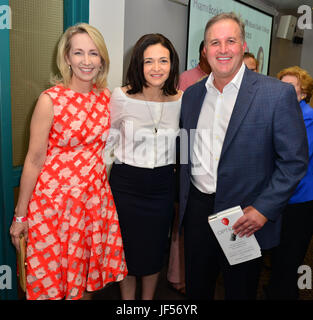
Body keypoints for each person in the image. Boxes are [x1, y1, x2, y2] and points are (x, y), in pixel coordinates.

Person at [179, 12, 308, 300]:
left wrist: (263, 208)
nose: (222, 49)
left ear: (243, 45)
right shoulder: (192, 95)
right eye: (215, 42)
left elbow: (295, 161)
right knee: (197, 288)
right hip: (198, 211)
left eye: (230, 41)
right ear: (204, 50)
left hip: (245, 216)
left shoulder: (275, 95)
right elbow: (187, 150)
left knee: (240, 291)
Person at [9, 23, 127, 300]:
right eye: (78, 53)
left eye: (93, 53)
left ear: (102, 60)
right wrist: (20, 216)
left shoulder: (107, 99)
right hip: (54, 208)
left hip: (93, 204)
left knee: (85, 282)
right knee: (52, 286)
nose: (86, 61)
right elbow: (34, 161)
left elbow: (108, 152)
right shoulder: (50, 100)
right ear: (67, 58)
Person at [105, 33, 182, 300]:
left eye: (163, 60)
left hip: (162, 184)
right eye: (149, 61)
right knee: (124, 250)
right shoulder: (121, 96)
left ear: (172, 64)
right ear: (138, 64)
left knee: (153, 250)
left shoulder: (180, 99)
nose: (156, 68)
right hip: (126, 184)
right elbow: (108, 143)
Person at [167, 40, 211, 295]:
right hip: (183, 166)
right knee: (180, 227)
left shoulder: (219, 81)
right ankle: (177, 276)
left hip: (206, 171)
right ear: (202, 52)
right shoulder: (188, 80)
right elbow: (179, 127)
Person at [267, 66, 313, 300]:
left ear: (303, 94)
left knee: (289, 257)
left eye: (289, 88)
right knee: (279, 257)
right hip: (280, 199)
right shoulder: (285, 115)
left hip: (299, 201)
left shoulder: (308, 119)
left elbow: (292, 162)